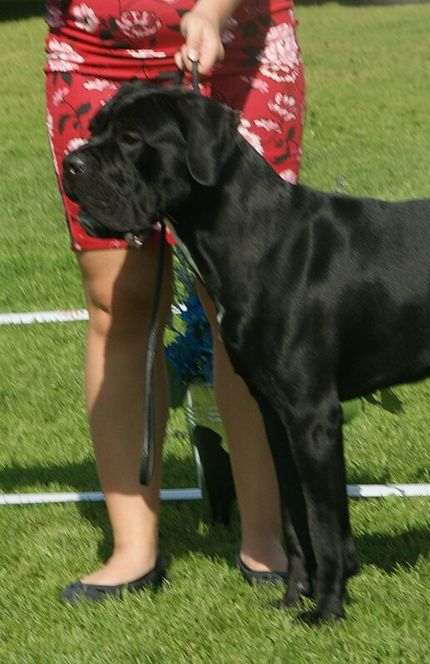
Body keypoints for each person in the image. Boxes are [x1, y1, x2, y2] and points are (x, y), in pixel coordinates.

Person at [44, 0, 304, 602]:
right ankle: (133, 549)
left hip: (237, 50)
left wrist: (211, 12)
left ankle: (266, 537)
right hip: (94, 56)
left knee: (246, 305)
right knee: (119, 303)